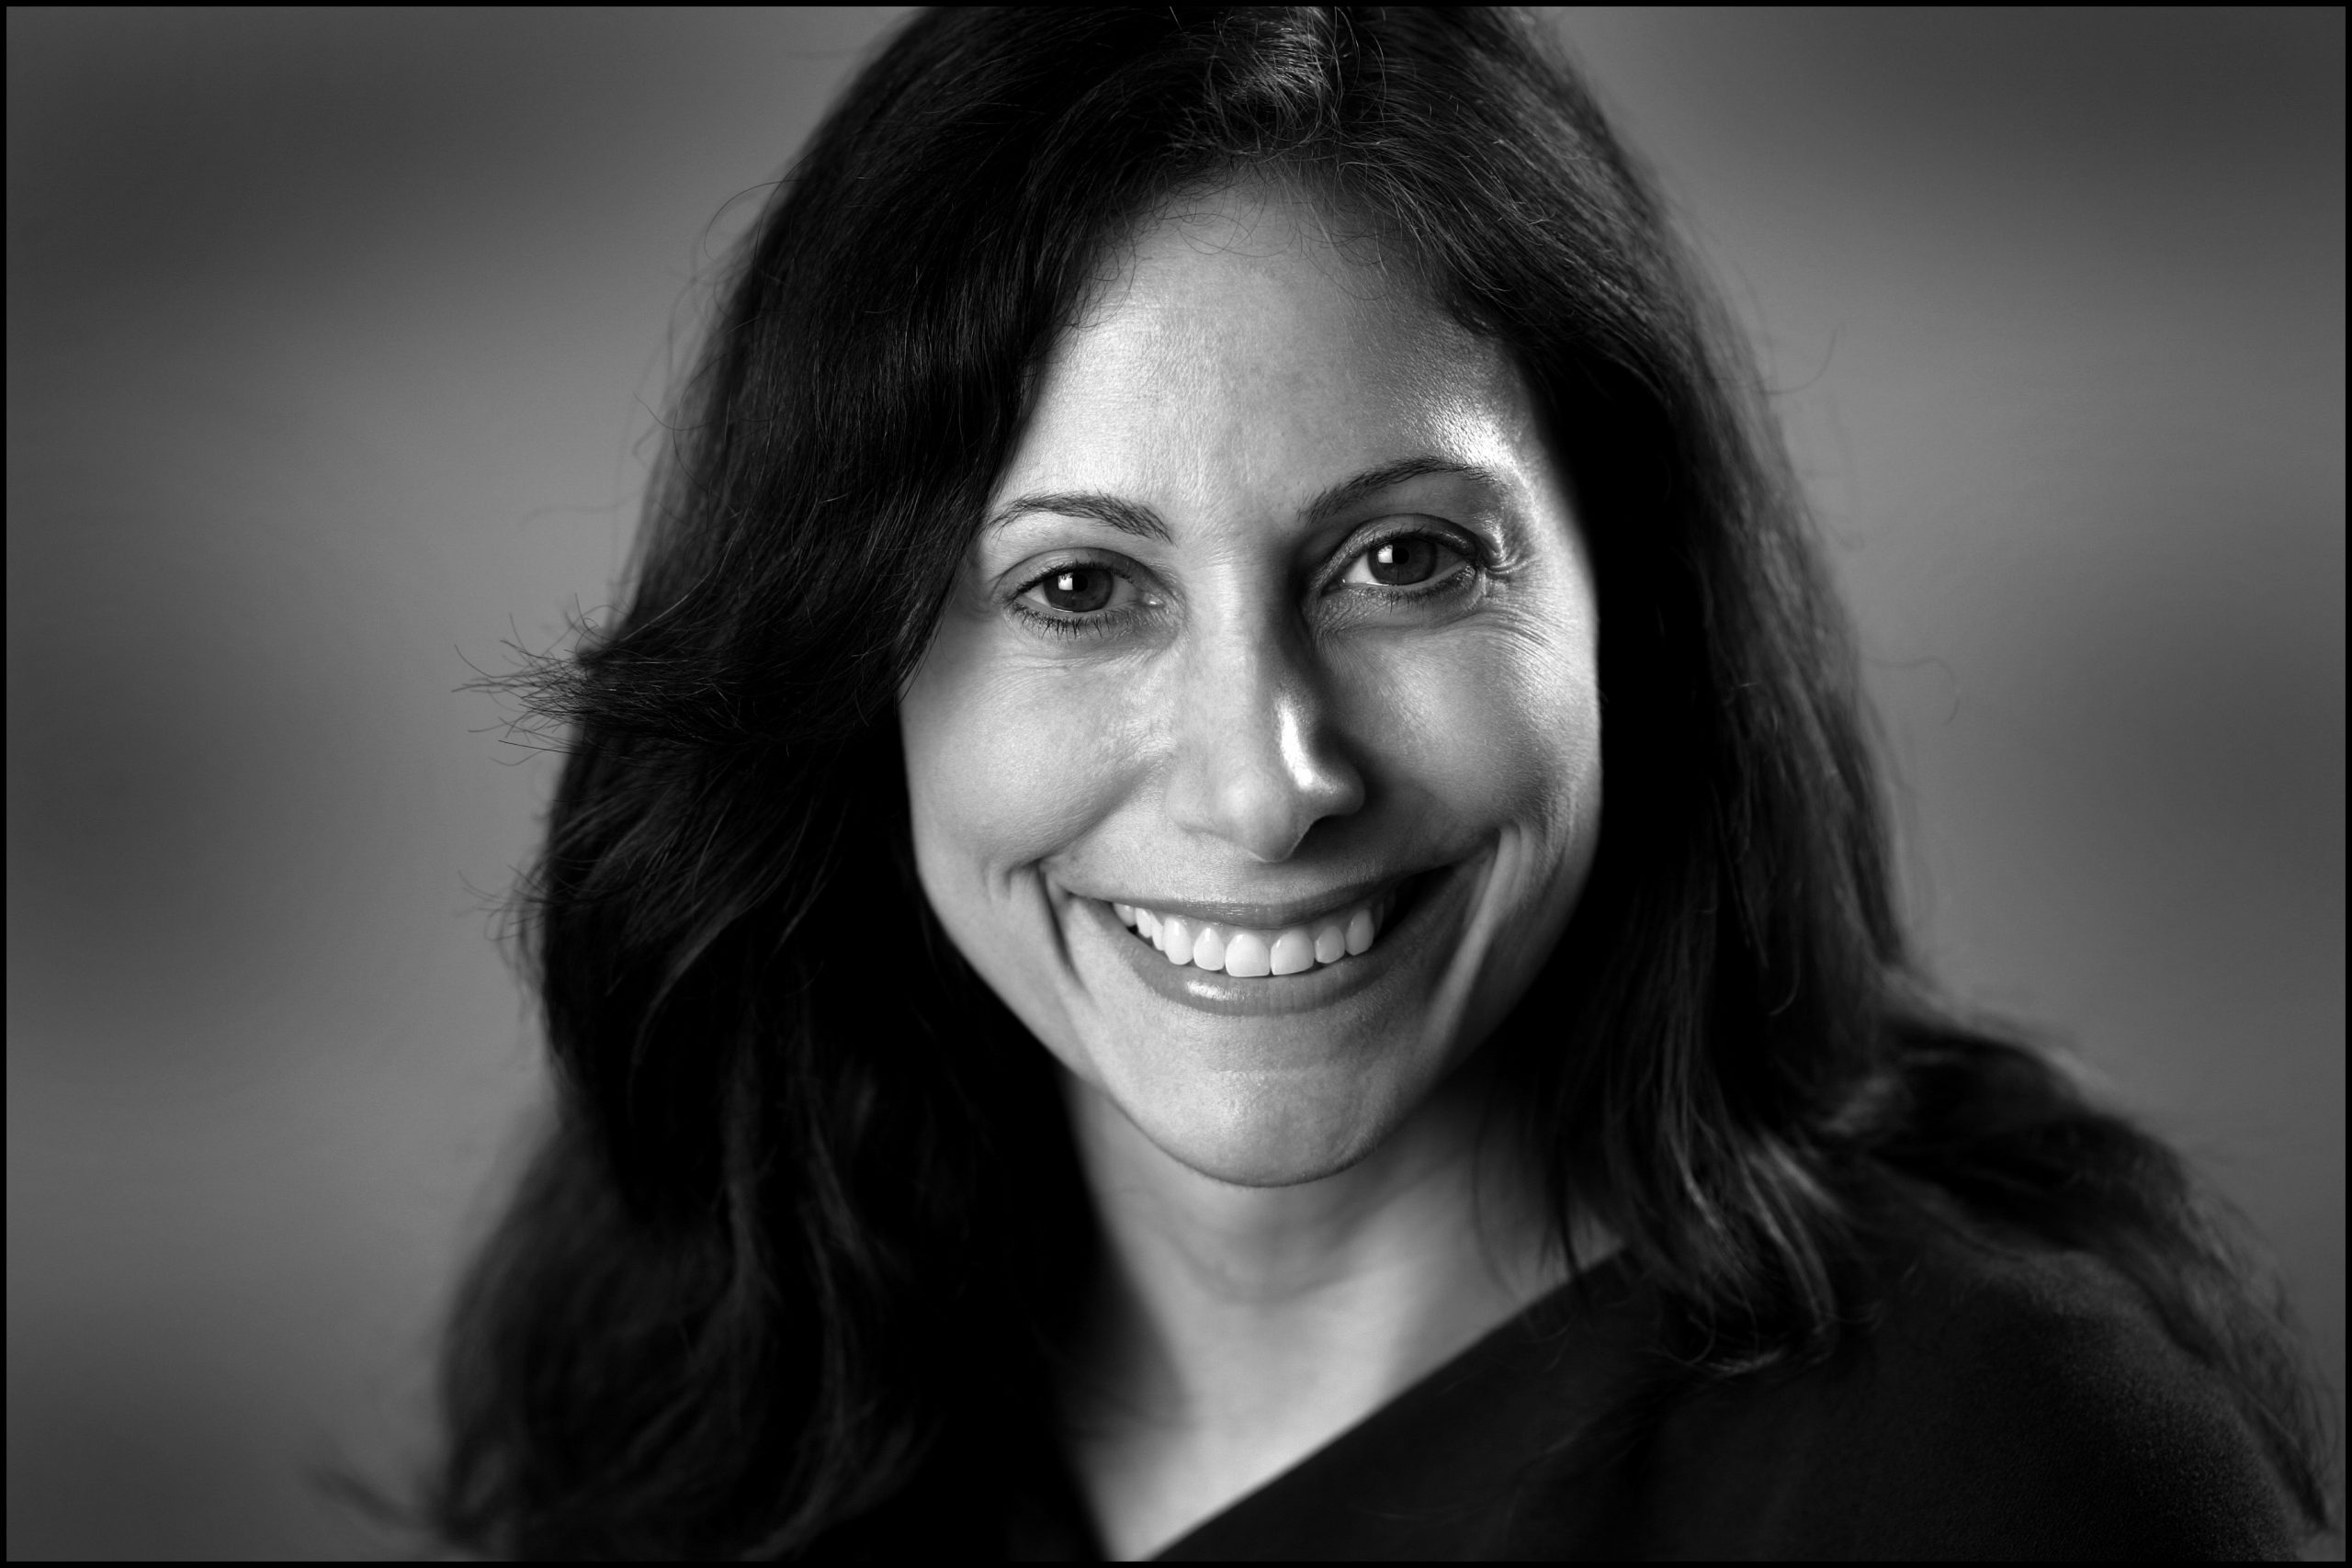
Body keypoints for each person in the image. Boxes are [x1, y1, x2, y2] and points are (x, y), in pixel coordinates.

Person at [432, 9, 2333, 1559]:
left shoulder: (2004, 1473)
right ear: (852, 671)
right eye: (1078, 589)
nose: (1270, 787)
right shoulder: (726, 1411)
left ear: (1632, 605)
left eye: (1403, 562)